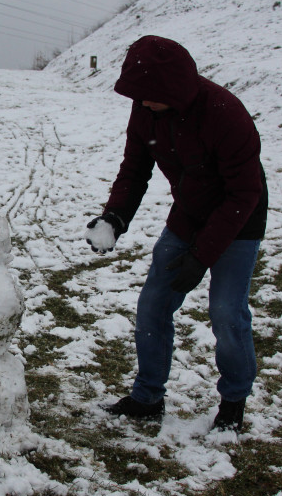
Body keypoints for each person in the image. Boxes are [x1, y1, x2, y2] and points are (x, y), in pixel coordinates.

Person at [85, 36, 268, 433]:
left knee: (225, 311)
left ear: (171, 89)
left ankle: (234, 401)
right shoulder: (147, 109)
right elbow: (135, 169)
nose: (141, 102)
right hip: (188, 213)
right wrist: (115, 217)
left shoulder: (225, 114)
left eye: (147, 95)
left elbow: (245, 192)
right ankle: (148, 397)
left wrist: (201, 257)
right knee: (152, 305)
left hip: (239, 218)